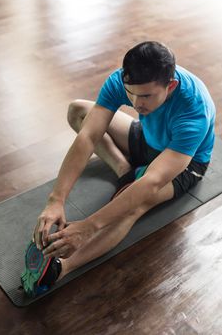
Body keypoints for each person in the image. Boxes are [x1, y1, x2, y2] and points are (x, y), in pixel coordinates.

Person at [21, 41, 215, 296]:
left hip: (184, 164)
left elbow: (153, 180)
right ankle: (123, 167)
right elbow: (88, 136)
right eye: (131, 93)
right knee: (78, 110)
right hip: (149, 138)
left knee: (132, 203)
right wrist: (56, 199)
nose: (136, 103)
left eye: (146, 96)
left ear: (171, 86)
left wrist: (88, 226)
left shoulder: (193, 109)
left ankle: (62, 268)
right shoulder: (122, 82)